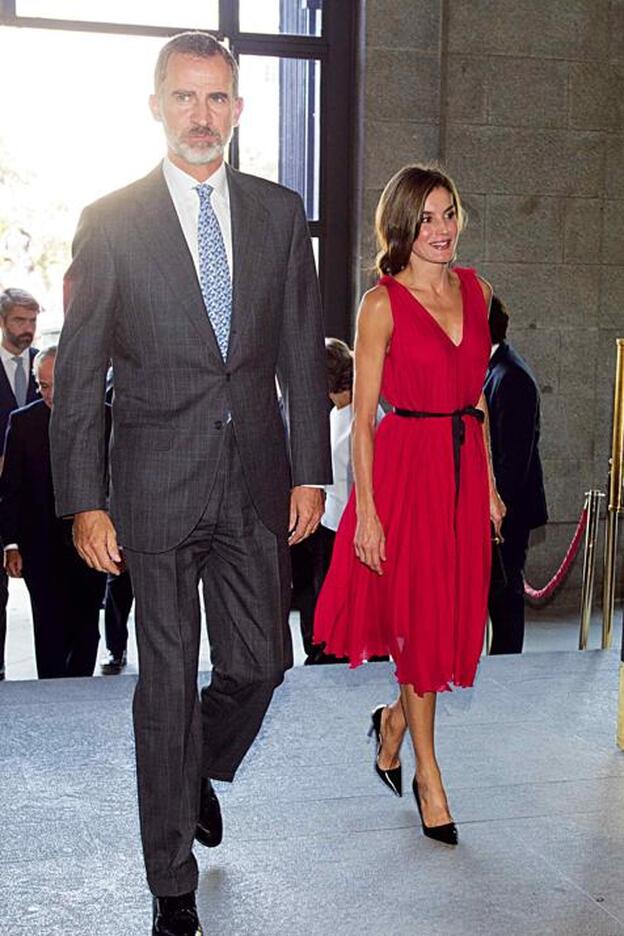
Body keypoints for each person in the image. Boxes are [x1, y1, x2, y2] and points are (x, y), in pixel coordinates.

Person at [50, 31, 330, 936]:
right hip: (153, 487)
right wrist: (84, 498)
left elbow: (297, 351)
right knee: (164, 683)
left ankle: (197, 768)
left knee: (262, 663)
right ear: (157, 106)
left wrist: (311, 475)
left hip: (254, 478)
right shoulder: (110, 218)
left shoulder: (280, 213)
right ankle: (170, 879)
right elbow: (82, 367)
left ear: (239, 110)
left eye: (218, 100)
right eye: (186, 98)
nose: (203, 116)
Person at [314, 164, 505, 845]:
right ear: (401, 225)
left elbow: (477, 395)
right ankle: (431, 779)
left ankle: (393, 724)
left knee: (447, 626)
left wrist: (487, 483)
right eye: (427, 217)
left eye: (449, 213)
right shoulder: (381, 304)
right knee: (422, 627)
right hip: (406, 473)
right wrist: (367, 512)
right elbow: (362, 417)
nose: (442, 229)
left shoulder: (476, 290)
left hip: (459, 470)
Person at [0, 347, 105, 678]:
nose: (50, 394)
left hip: (90, 543)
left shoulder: (106, 417)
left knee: (87, 624)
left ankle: (81, 692)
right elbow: (10, 488)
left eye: (56, 384)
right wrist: (11, 544)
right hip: (39, 545)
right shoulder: (23, 423)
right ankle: (52, 699)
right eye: (43, 385)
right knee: (48, 626)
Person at [298, 338, 383, 665]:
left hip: (343, 526)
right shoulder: (349, 410)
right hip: (336, 522)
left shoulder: (354, 417)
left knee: (340, 600)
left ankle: (337, 649)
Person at [484, 295, 548, 654]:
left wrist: (494, 511)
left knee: (505, 600)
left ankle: (507, 670)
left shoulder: (511, 377)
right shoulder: (494, 369)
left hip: (507, 513)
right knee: (496, 599)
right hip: (496, 510)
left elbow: (513, 460)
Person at [0, 287, 41, 680]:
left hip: (34, 503)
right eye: (19, 322)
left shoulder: (44, 367)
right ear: (2, 321)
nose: (27, 330)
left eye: (32, 322)